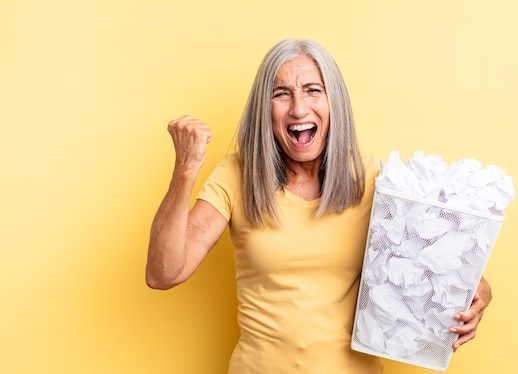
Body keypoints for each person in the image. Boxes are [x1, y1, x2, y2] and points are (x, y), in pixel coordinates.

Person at [146, 38, 492, 374]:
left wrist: (480, 293)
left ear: (334, 102)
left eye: (313, 90)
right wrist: (186, 168)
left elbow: (442, 265)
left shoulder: (375, 181)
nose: (298, 108)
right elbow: (164, 273)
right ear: (264, 109)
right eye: (281, 93)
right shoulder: (238, 176)